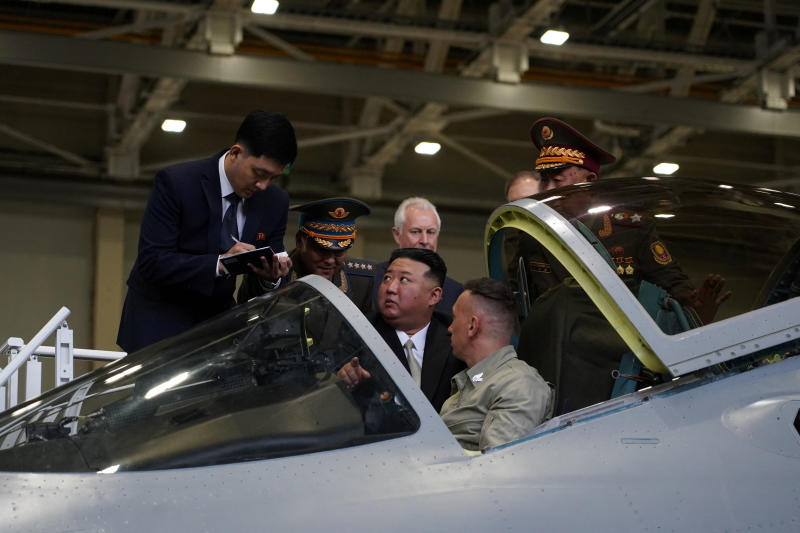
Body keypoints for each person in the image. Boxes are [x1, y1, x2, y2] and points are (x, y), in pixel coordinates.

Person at [117, 110, 296, 353]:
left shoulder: (275, 201)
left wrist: (271, 277)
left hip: (216, 328)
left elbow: (275, 265)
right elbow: (153, 261)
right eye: (259, 173)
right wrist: (221, 263)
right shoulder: (176, 183)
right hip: (157, 323)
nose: (263, 186)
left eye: (273, 178)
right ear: (235, 153)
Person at [339, 248, 464, 412]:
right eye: (387, 278)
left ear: (434, 296)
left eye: (404, 280)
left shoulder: (456, 336)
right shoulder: (357, 332)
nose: (390, 288)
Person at [440, 277, 552, 451]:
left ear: (472, 326)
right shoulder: (474, 383)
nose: (450, 328)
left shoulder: (518, 384)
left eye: (455, 317)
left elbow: (498, 466)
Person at [238, 197, 376, 313]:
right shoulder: (272, 274)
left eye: (339, 252)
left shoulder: (363, 280)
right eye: (322, 250)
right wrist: (269, 282)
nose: (329, 260)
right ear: (299, 241)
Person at [372, 197, 463, 316]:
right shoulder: (372, 281)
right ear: (397, 234)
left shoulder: (454, 291)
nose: (424, 240)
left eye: (431, 232)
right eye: (415, 232)